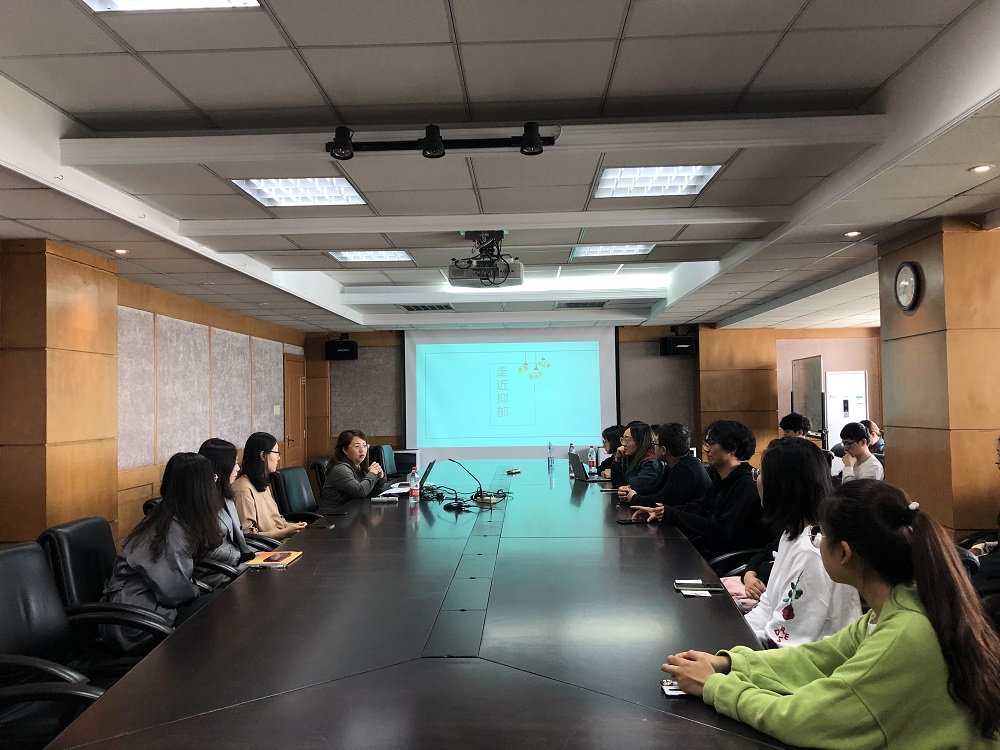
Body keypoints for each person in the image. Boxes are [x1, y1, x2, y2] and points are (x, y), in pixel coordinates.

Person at [662, 480, 1000, 749]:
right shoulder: (898, 605)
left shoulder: (905, 634)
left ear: (844, 552)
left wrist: (715, 686)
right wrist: (728, 663)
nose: (815, 541)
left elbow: (804, 719)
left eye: (820, 534)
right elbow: (817, 658)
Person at [102, 452, 233, 651]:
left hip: (149, 607)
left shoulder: (168, 516)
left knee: (222, 602)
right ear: (199, 489)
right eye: (212, 479)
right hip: (136, 619)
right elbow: (174, 593)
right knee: (221, 606)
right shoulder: (170, 530)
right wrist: (199, 590)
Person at [740, 437, 860, 646]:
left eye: (761, 473)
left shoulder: (813, 549)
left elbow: (784, 640)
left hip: (814, 658)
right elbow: (769, 604)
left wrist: (728, 651)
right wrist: (736, 631)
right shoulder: (792, 533)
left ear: (782, 484)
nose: (757, 479)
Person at [634, 420, 771, 559]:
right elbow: (699, 507)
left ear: (732, 448)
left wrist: (671, 514)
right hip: (710, 549)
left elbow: (721, 529)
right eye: (706, 443)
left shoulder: (746, 483)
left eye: (711, 443)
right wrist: (661, 511)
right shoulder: (721, 478)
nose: (706, 449)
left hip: (729, 558)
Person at [198, 437, 255, 579]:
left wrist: (253, 555)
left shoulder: (225, 494)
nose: (238, 468)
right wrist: (240, 557)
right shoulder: (201, 503)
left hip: (235, 565)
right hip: (216, 573)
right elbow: (207, 550)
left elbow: (237, 538)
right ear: (222, 467)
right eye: (234, 463)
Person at [621, 423, 711, 512]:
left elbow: (665, 500)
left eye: (655, 444)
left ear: (663, 450)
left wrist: (635, 498)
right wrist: (630, 491)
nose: (653, 448)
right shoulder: (674, 463)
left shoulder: (684, 469)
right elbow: (657, 488)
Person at [233, 432, 307, 539]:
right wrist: (285, 533)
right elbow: (248, 535)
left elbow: (277, 519)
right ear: (263, 455)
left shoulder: (262, 482)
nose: (278, 458)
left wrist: (294, 527)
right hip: (271, 546)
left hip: (281, 541)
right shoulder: (243, 489)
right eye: (276, 453)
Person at [319, 429, 386, 513]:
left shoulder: (359, 467)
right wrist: (372, 473)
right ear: (345, 450)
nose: (362, 450)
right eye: (357, 446)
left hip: (351, 513)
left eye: (364, 446)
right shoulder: (340, 469)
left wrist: (379, 477)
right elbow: (361, 492)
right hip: (333, 516)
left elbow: (372, 493)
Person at [610, 421, 664, 494]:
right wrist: (617, 459)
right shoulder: (632, 458)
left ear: (640, 441)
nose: (623, 444)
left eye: (627, 440)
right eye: (623, 440)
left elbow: (627, 487)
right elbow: (617, 484)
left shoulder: (651, 464)